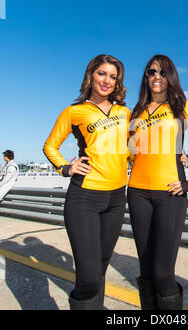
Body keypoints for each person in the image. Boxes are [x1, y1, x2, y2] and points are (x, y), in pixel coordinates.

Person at [127, 54, 188, 310]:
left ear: (171, 77)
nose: (156, 76)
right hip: (136, 193)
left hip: (170, 195)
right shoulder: (136, 111)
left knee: (162, 272)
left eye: (162, 72)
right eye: (151, 72)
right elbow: (129, 151)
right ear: (146, 77)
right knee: (146, 271)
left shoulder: (181, 107)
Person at [43, 54, 130, 310]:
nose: (107, 80)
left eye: (113, 77)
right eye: (102, 73)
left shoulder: (125, 113)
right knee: (89, 276)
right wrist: (65, 167)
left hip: (116, 199)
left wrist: (174, 155)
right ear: (91, 75)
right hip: (84, 199)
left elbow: (136, 149)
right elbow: (50, 145)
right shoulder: (74, 112)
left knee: (100, 269)